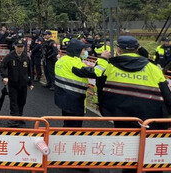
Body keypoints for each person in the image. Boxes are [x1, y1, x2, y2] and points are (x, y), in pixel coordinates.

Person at [95, 36, 171, 173]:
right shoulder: (152, 68)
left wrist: (103, 107)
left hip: (121, 116)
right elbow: (166, 94)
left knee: (128, 153)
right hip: (149, 118)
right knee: (151, 155)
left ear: (118, 49)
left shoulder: (110, 66)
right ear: (138, 49)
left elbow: (100, 86)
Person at [54, 39, 103, 127]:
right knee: (74, 127)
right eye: (83, 50)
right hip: (74, 101)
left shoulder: (62, 60)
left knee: (68, 124)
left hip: (63, 98)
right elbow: (95, 72)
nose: (85, 52)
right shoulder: (73, 63)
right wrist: (103, 59)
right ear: (77, 51)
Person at [0, 39, 34, 127]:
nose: (20, 49)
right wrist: (5, 76)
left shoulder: (26, 58)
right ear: (15, 47)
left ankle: (19, 116)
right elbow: (2, 66)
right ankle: (14, 118)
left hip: (23, 84)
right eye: (18, 47)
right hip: (13, 83)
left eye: (22, 47)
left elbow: (30, 71)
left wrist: (30, 83)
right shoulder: (9, 56)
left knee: (22, 101)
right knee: (14, 101)